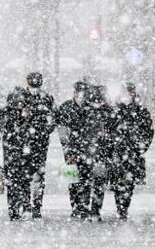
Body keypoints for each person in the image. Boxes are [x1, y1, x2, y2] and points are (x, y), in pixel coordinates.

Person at [110, 83, 154, 220]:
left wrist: (141, 147)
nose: (126, 96)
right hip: (118, 152)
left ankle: (124, 208)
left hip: (133, 153)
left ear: (133, 94)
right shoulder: (115, 111)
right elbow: (107, 131)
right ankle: (120, 208)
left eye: (129, 93)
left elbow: (149, 131)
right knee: (118, 183)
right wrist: (111, 147)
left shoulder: (141, 111)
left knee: (129, 183)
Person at [0, 87, 33, 220]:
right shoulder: (26, 112)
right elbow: (32, 132)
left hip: (11, 151)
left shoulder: (4, 113)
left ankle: (15, 209)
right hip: (23, 151)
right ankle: (24, 207)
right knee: (23, 180)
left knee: (14, 181)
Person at [75, 85, 113, 221]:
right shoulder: (107, 113)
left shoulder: (83, 113)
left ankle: (87, 210)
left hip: (89, 153)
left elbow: (76, 133)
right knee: (96, 184)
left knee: (87, 183)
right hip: (96, 153)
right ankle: (93, 210)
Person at [22, 72, 56, 219]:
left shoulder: (43, 98)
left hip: (35, 142)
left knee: (32, 174)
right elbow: (54, 117)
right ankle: (31, 206)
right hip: (30, 141)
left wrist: (46, 129)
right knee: (32, 175)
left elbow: (54, 118)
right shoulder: (44, 98)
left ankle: (32, 206)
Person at [56, 81, 88, 218]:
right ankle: (75, 206)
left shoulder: (90, 108)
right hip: (71, 148)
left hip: (87, 148)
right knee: (72, 178)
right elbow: (62, 130)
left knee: (85, 178)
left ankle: (83, 205)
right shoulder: (66, 107)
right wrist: (67, 148)